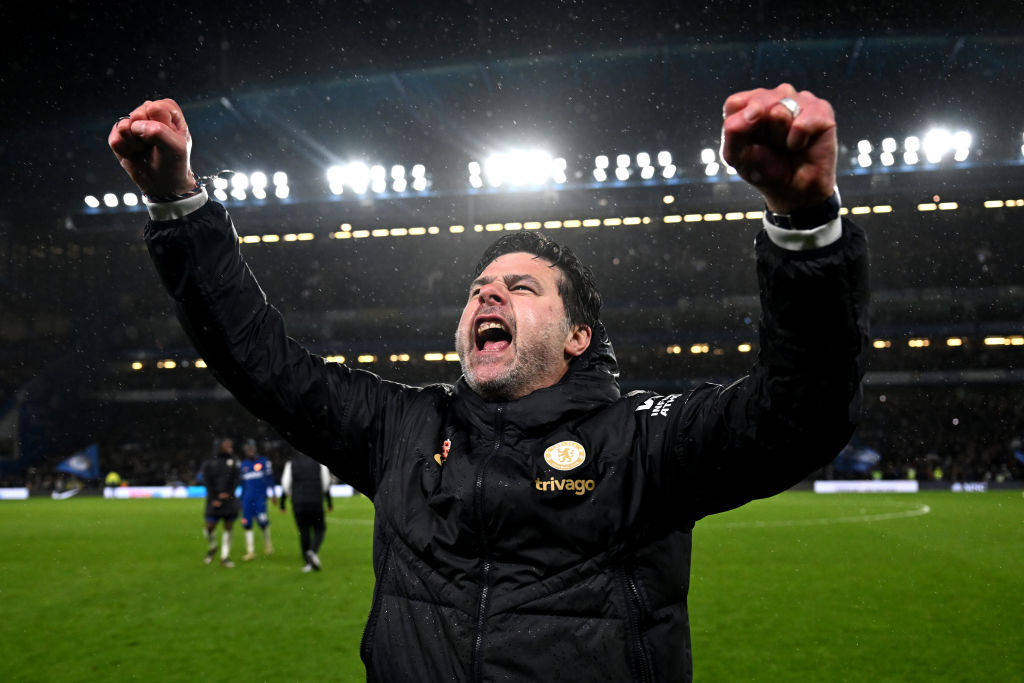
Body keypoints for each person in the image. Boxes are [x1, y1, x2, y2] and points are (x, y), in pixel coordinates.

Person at [110, 83, 869, 681]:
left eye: (520, 287)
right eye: (477, 289)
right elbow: (259, 361)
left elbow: (798, 412)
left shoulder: (642, 443)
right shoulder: (402, 431)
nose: (487, 296)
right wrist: (179, 206)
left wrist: (804, 224)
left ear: (578, 336)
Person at [279, 451, 333, 572]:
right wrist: (329, 502)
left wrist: (285, 501)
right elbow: (326, 484)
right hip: (315, 502)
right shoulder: (319, 463)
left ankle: (307, 563)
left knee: (304, 531)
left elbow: (285, 485)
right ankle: (313, 551)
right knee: (320, 529)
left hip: (298, 503)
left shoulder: (291, 463)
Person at [197, 437, 241, 568]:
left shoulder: (234, 460)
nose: (230, 446)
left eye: (230, 444)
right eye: (227, 445)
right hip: (213, 501)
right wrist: (214, 498)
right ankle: (213, 546)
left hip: (229, 500)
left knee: (228, 527)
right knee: (209, 527)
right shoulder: (209, 462)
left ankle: (225, 557)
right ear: (219, 446)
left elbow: (237, 478)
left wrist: (229, 493)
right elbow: (207, 481)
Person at [238, 438, 276, 561]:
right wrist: (240, 500)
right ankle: (250, 551)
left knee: (263, 522)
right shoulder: (243, 465)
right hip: (247, 500)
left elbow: (270, 479)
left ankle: (268, 544)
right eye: (248, 449)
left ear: (255, 449)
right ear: (245, 451)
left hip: (260, 499)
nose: (250, 451)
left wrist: (273, 494)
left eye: (252, 448)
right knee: (247, 523)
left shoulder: (264, 462)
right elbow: (243, 485)